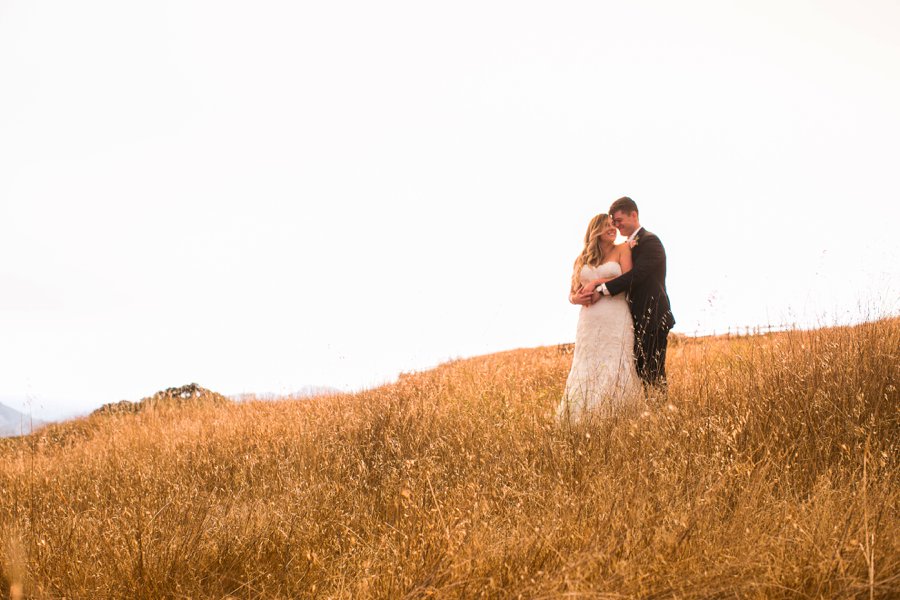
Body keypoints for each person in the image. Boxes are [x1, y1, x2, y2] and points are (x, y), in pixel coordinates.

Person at [579, 197, 675, 391]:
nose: (616, 225)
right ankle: (649, 412)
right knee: (639, 371)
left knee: (653, 371)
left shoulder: (650, 241)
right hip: (633, 317)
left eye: (619, 220)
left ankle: (660, 412)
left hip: (653, 315)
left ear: (634, 214)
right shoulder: (626, 246)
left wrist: (601, 288)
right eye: (613, 221)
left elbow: (636, 276)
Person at [558, 213, 642, 421]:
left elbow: (627, 279)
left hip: (615, 316)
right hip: (589, 321)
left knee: (615, 362)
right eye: (606, 225)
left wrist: (596, 283)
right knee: (586, 365)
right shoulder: (582, 259)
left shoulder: (623, 249)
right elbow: (571, 294)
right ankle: (581, 417)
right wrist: (578, 299)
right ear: (595, 230)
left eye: (613, 224)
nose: (612, 228)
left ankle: (617, 416)